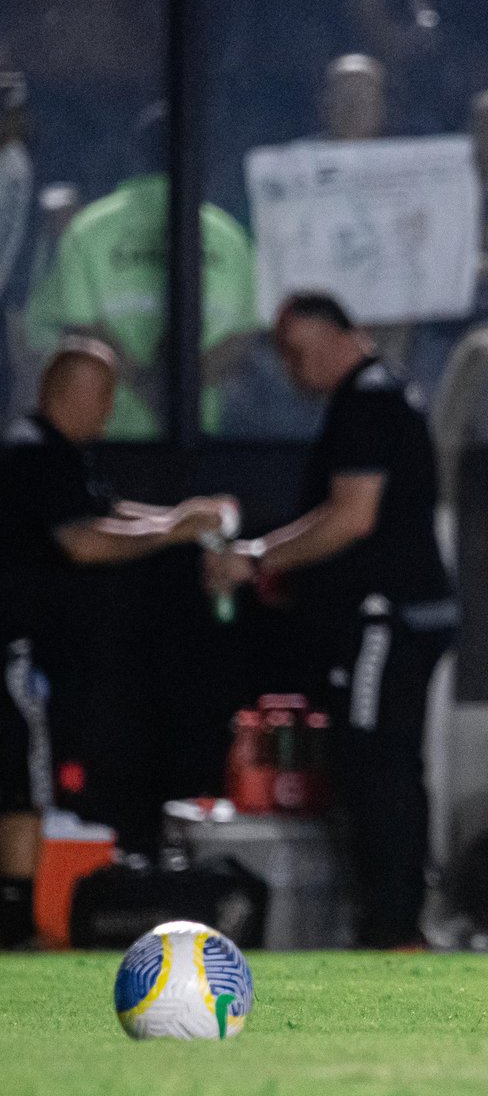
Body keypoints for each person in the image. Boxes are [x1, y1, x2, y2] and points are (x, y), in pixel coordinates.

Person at [208, 293, 457, 948]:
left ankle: (396, 928)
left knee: (379, 760)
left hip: (387, 617)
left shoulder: (368, 398)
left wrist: (257, 558)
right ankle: (391, 920)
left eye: (293, 353)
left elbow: (353, 517)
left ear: (323, 338)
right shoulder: (383, 393)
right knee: (378, 759)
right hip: (391, 613)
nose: (290, 371)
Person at [0, 337, 235, 948]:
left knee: (24, 778)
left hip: (37, 648)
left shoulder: (60, 457)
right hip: (12, 646)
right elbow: (84, 539)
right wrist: (175, 531)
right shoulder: (31, 454)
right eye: (104, 395)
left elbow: (110, 512)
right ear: (71, 392)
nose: (109, 410)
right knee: (22, 783)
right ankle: (15, 919)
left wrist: (180, 521)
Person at [24, 102, 257, 439]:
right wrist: (181, 391)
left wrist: (143, 385)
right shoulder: (229, 236)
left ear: (135, 155)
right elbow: (243, 336)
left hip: (106, 435)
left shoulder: (88, 230)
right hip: (199, 438)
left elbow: (83, 328)